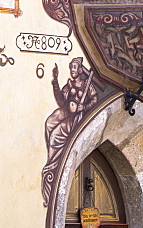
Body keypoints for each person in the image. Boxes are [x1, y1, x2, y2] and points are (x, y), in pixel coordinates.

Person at [40, 57, 98, 206]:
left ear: (79, 70)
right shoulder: (69, 84)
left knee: (56, 135)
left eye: (74, 67)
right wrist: (55, 81)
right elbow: (61, 101)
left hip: (77, 117)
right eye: (70, 67)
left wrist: (82, 108)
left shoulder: (86, 85)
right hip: (66, 112)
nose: (72, 70)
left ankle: (53, 166)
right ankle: (53, 158)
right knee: (49, 123)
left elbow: (94, 99)